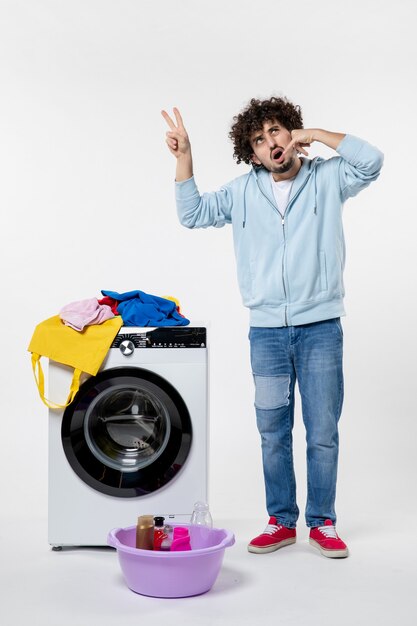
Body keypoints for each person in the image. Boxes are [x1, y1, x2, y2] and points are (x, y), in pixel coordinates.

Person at [162, 97, 383, 558]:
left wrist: (318, 135)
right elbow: (192, 214)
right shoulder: (243, 191)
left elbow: (372, 162)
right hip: (265, 333)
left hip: (320, 326)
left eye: (277, 131)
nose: (270, 143)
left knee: (322, 429)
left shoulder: (327, 178)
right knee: (272, 431)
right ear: (253, 153)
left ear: (292, 134)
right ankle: (281, 521)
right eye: (258, 140)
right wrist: (185, 158)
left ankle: (323, 522)